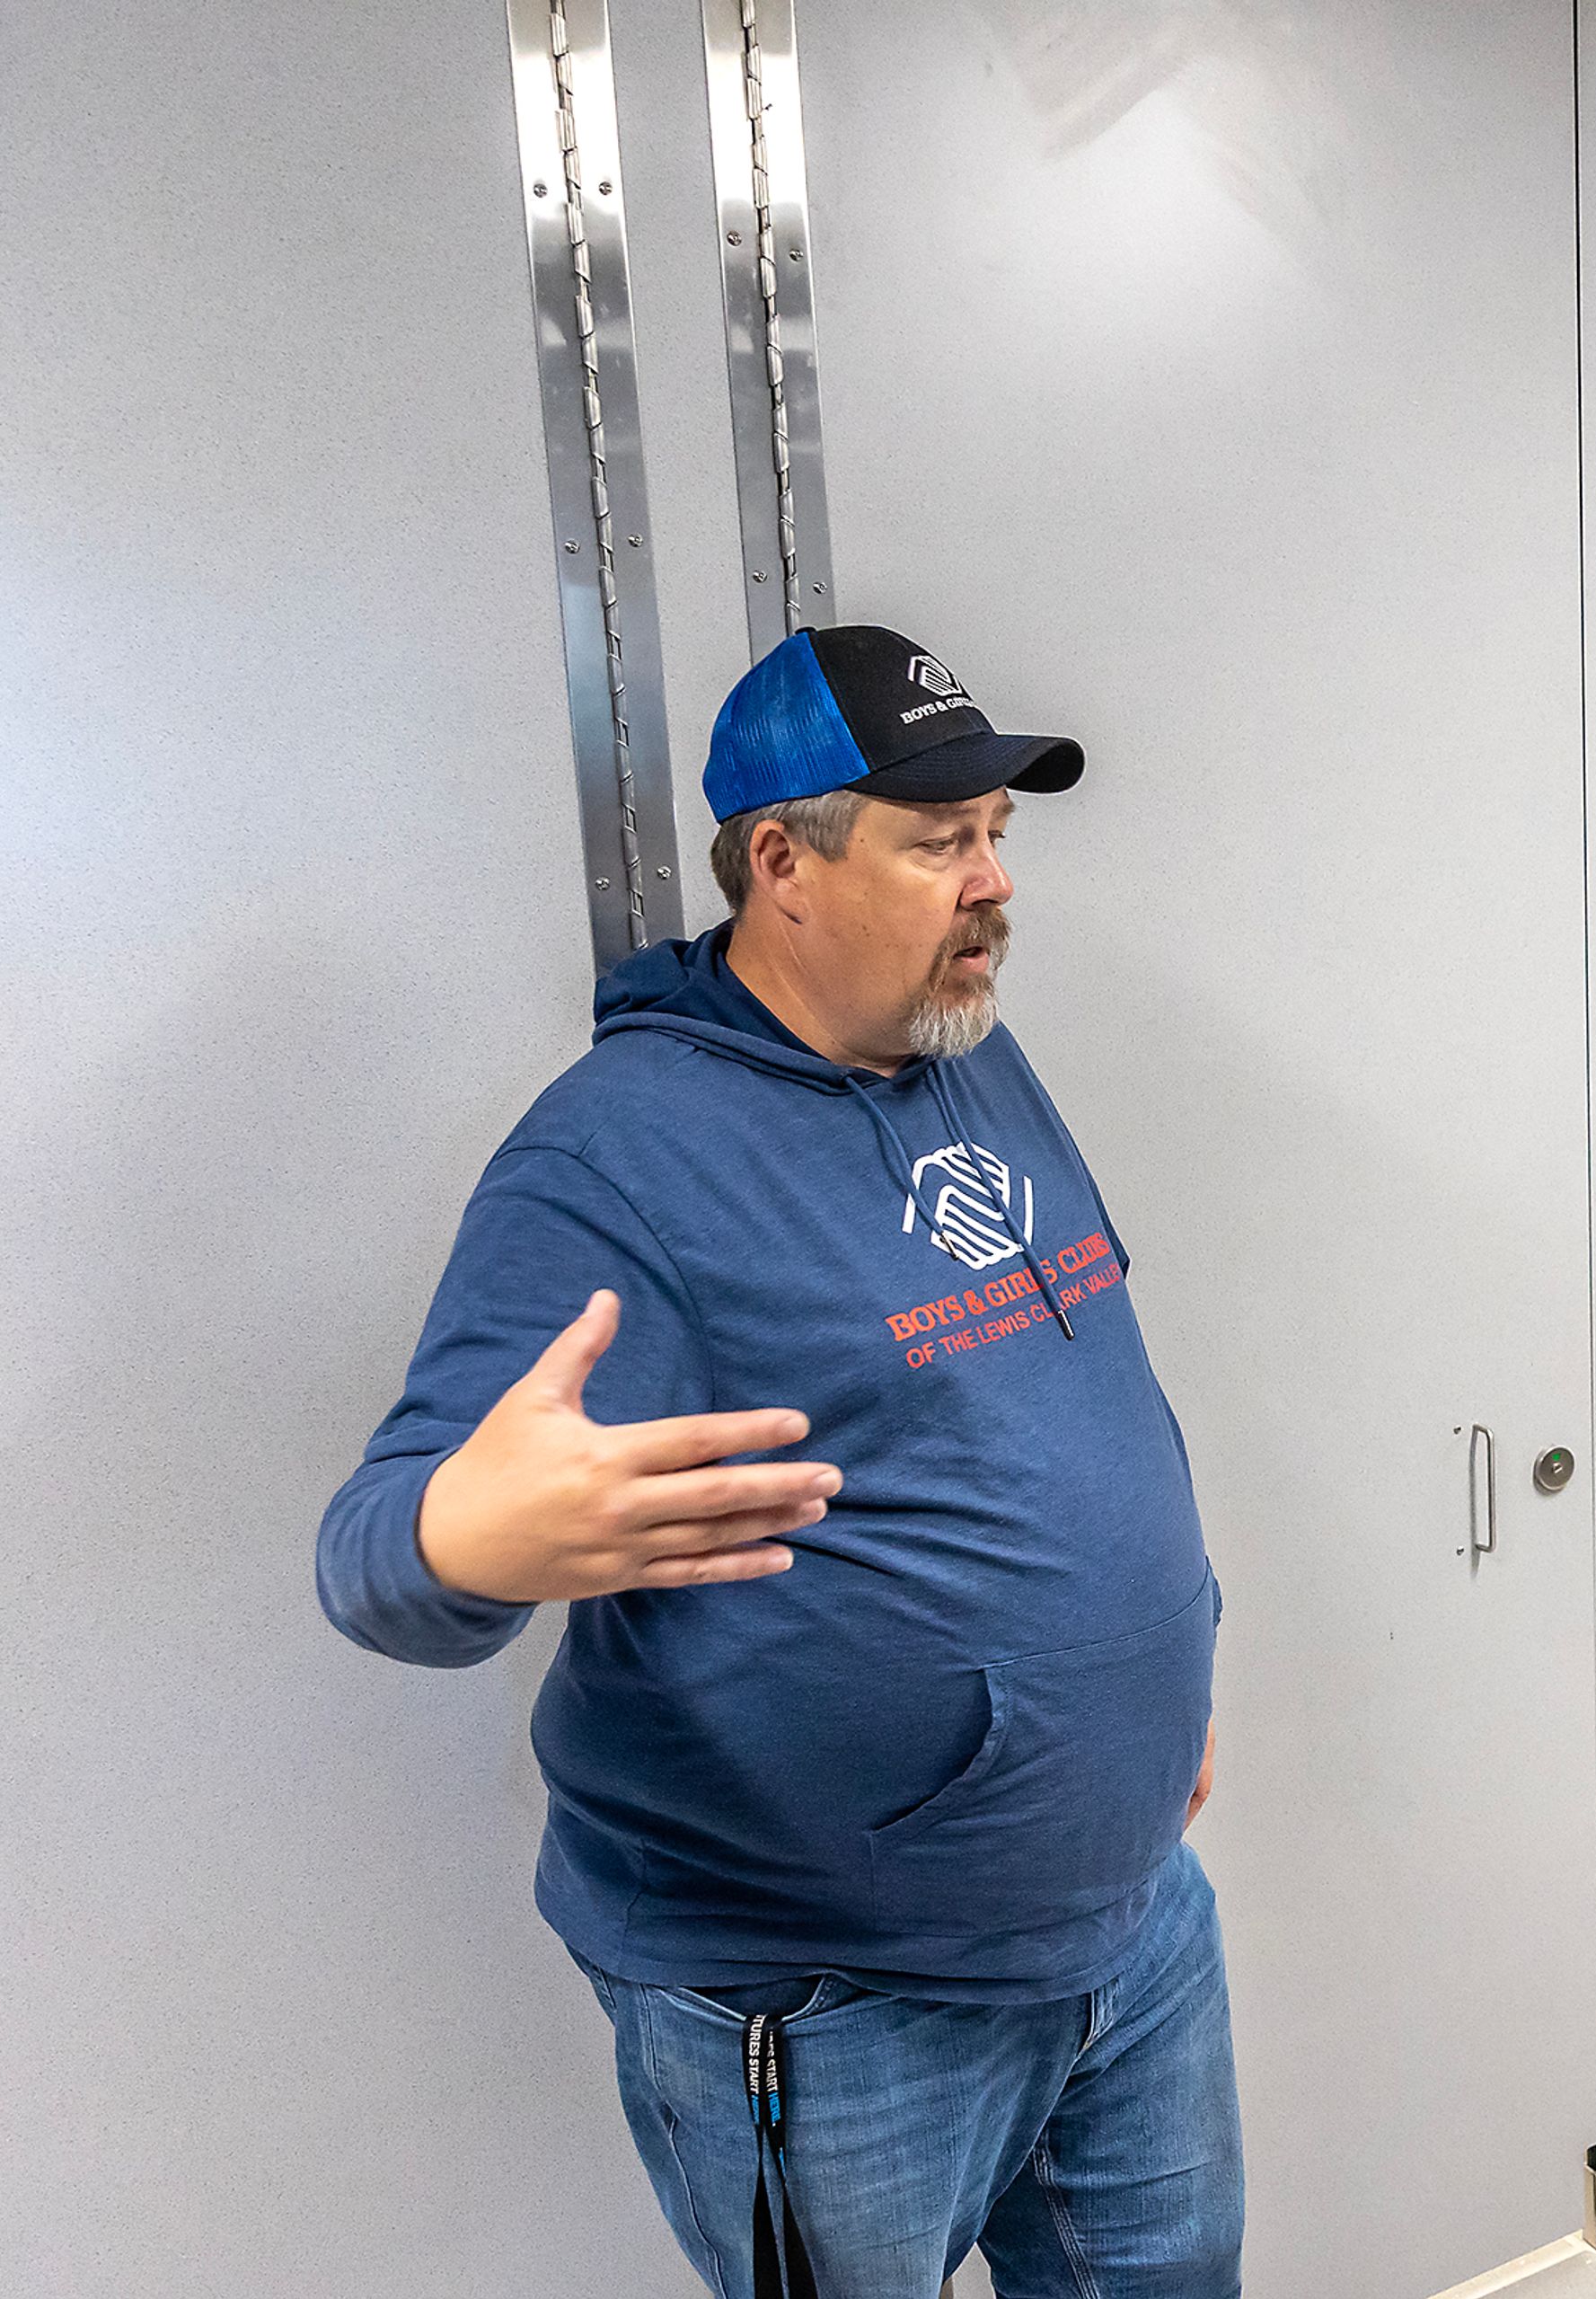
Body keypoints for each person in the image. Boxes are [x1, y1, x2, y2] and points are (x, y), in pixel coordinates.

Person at [316, 625, 1243, 2298]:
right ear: (780, 861)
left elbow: (1081, 1387)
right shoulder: (616, 1158)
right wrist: (476, 1534)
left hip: (1130, 1922)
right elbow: (378, 1559)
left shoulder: (966, 1052)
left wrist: (1146, 1705)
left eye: (999, 838)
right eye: (938, 840)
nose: (992, 886)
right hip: (833, 1999)